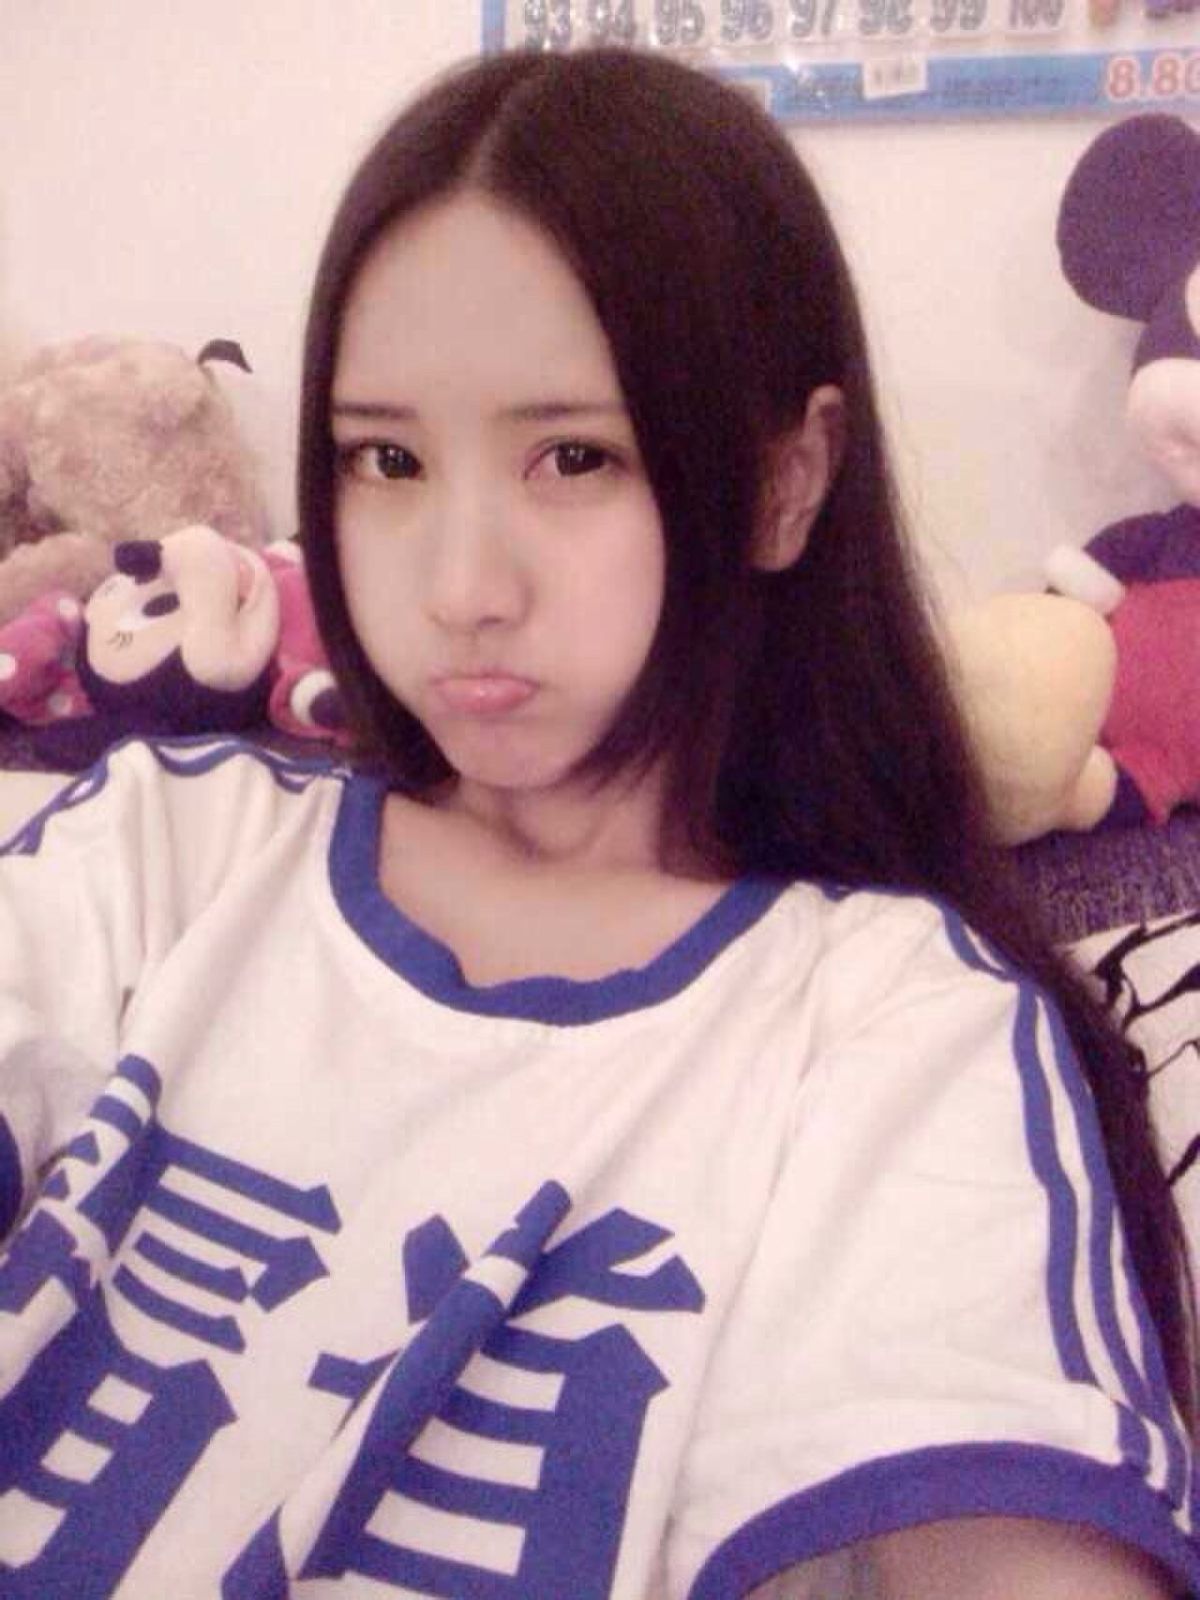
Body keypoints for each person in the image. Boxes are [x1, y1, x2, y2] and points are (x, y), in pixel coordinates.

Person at [0, 45, 1195, 1600]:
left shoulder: (895, 1032)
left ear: (786, 479)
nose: (458, 586)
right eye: (386, 458)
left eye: (574, 456)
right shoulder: (164, 853)